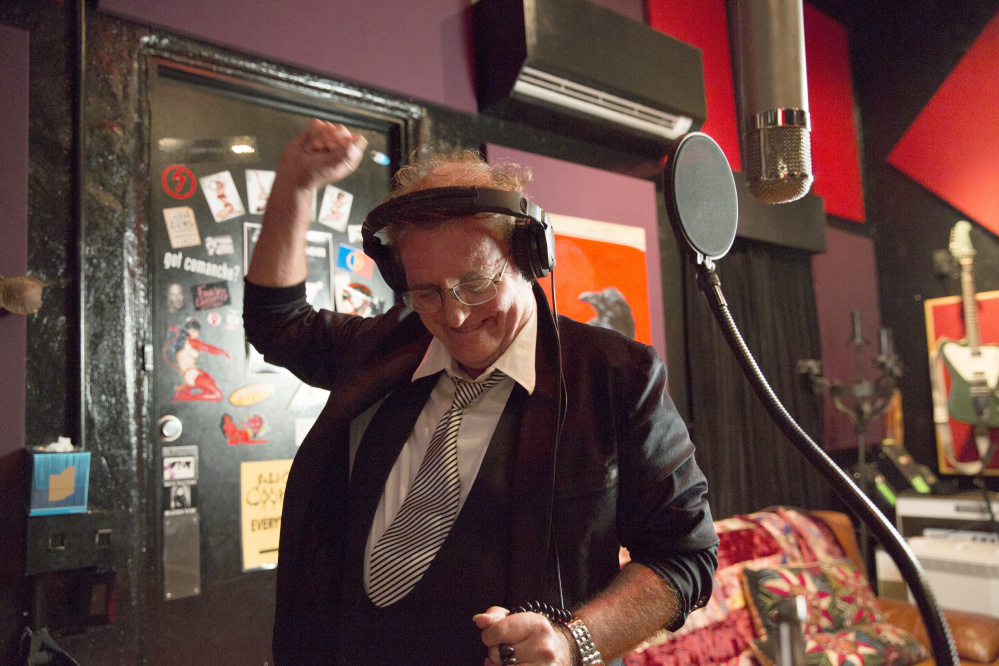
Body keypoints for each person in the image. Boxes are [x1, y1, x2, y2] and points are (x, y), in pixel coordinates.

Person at [244, 120, 718, 665]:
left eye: (477, 282)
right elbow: (277, 323)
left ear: (527, 258)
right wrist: (296, 186)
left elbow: (684, 557)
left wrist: (574, 641)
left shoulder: (617, 377)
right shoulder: (385, 348)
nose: (456, 315)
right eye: (427, 292)